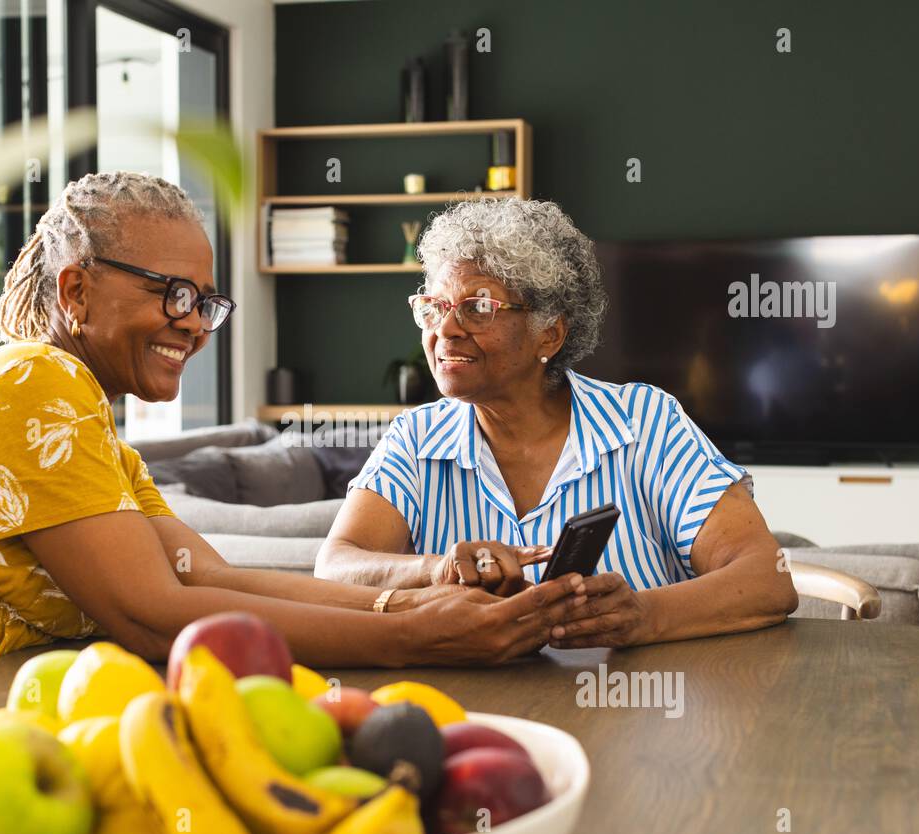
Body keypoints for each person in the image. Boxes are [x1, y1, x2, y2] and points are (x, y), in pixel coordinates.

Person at [0, 174, 586, 731]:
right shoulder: (31, 381)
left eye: (205, 301)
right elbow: (152, 614)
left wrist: (417, 600)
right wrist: (421, 638)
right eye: (173, 294)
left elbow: (212, 576)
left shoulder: (96, 431)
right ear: (75, 291)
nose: (195, 322)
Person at [315, 197, 797, 648]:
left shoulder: (646, 422)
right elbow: (336, 566)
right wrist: (437, 569)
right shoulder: (416, 438)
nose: (445, 329)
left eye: (478, 307)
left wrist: (643, 616)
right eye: (434, 307)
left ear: (550, 332)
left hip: (640, 716)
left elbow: (765, 577)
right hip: (477, 713)